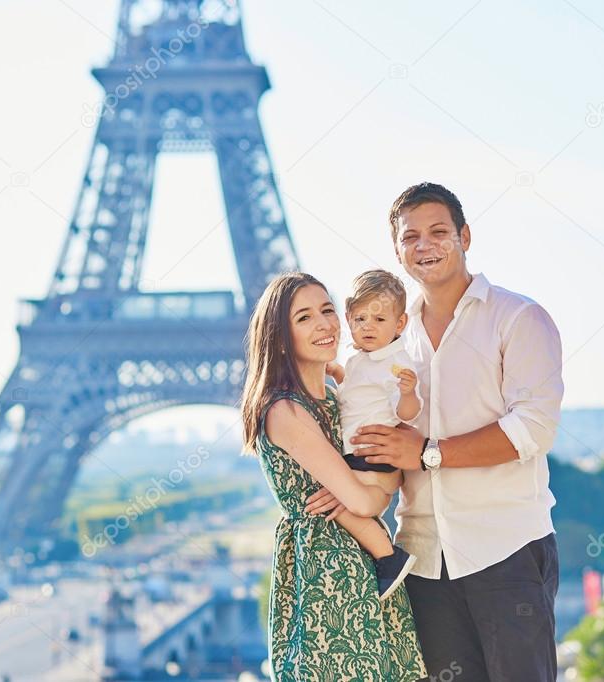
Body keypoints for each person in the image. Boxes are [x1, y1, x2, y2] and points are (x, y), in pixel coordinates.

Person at [350, 182, 565, 682]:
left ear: (465, 236)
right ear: (398, 251)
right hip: (424, 560)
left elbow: (533, 428)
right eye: (411, 237)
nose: (424, 245)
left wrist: (427, 453)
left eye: (438, 232)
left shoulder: (519, 318)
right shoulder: (392, 339)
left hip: (506, 550)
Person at [240, 272, 426, 681]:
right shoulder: (285, 411)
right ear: (281, 335)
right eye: (304, 317)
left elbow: (387, 475)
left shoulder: (337, 398)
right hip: (327, 573)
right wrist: (367, 495)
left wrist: (371, 489)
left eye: (327, 310)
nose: (324, 324)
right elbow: (368, 501)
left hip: (368, 571)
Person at [325, 268, 423, 598]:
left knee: (339, 509)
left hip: (370, 460)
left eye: (380, 320)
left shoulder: (396, 363)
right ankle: (376, 558)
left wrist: (409, 393)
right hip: (360, 457)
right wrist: (338, 373)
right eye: (361, 318)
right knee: (344, 511)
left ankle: (389, 558)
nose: (368, 326)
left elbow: (404, 411)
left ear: (400, 325)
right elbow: (358, 396)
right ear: (349, 318)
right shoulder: (359, 360)